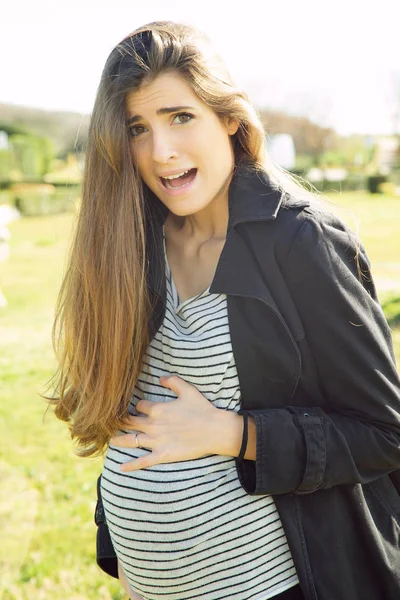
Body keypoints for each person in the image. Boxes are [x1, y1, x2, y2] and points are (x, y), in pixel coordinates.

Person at [50, 21, 400, 600]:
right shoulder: (131, 243)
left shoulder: (301, 241)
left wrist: (236, 434)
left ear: (229, 119)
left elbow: (384, 433)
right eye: (138, 128)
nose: (161, 151)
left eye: (180, 117)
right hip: (146, 583)